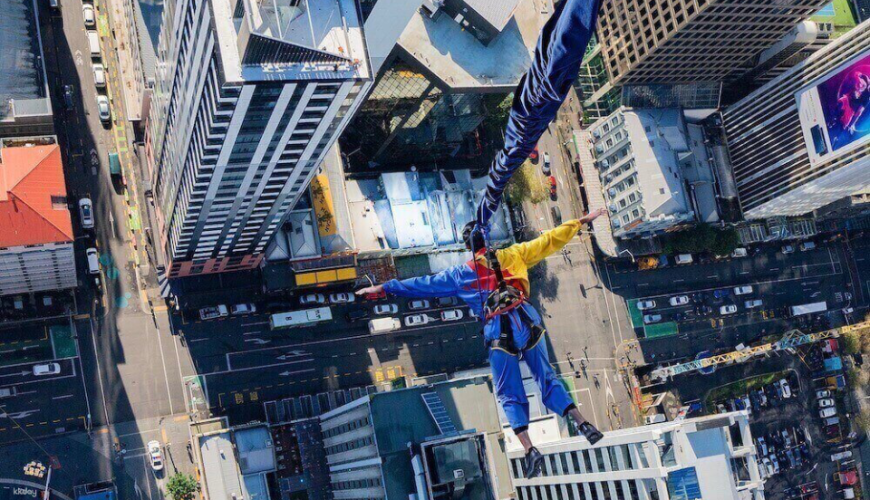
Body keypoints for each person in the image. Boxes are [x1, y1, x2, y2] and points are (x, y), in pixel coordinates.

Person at [356, 208, 607, 478]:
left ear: (468, 247)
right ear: (486, 242)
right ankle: (583, 424)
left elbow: (421, 285)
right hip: (527, 319)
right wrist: (581, 221)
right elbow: (551, 240)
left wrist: (383, 288)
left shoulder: (462, 275)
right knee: (546, 377)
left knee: (509, 392)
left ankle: (529, 449)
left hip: (499, 331)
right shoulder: (515, 254)